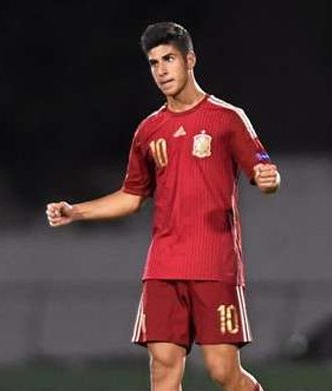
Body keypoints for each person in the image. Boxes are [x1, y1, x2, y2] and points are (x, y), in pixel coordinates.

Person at [45, 22, 279, 391]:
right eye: (154, 63)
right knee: (163, 367)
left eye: (168, 59)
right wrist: (76, 211)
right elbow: (132, 196)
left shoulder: (227, 118)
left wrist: (270, 181)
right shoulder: (148, 130)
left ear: (190, 60)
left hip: (213, 264)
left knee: (223, 372)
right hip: (163, 266)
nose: (162, 70)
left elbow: (264, 171)